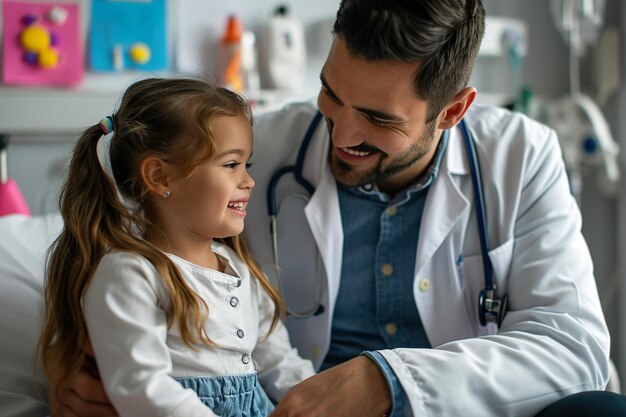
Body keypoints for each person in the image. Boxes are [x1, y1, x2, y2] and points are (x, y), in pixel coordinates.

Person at [10, 0, 625, 416]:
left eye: (379, 120)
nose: (341, 133)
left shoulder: (521, 155)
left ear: (452, 111)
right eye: (332, 93)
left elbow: (574, 347)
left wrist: (385, 383)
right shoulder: (254, 149)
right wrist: (71, 360)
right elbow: (108, 231)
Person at [37, 77, 315, 417]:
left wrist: (323, 401)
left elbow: (277, 359)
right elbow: (143, 388)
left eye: (248, 165)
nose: (249, 181)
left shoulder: (237, 267)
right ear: (159, 177)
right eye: (231, 165)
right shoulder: (131, 274)